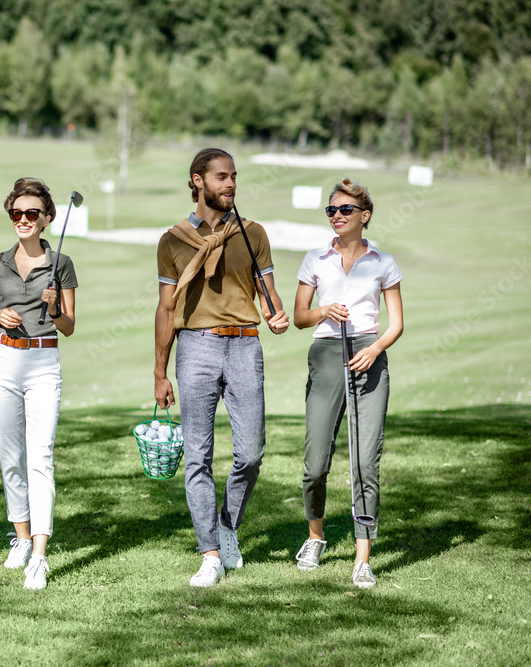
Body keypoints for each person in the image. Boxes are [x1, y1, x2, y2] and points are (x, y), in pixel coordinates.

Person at [154, 148, 289, 588]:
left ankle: (227, 524)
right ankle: (209, 552)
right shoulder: (173, 240)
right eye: (221, 177)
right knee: (198, 456)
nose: (230, 184)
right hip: (195, 348)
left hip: (246, 347)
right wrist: (160, 371)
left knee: (251, 453)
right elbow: (166, 306)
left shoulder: (252, 233)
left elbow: (270, 295)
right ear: (197, 181)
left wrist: (277, 315)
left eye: (233, 177)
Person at [292, 178, 403, 589]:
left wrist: (374, 350)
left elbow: (397, 324)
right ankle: (316, 537)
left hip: (368, 358)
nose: (336, 216)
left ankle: (362, 558)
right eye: (331, 210)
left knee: (364, 463)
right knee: (316, 462)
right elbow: (299, 316)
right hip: (325, 354)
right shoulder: (315, 259)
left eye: (345, 210)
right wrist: (323, 310)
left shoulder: (383, 262)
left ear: (364, 216)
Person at [0, 177, 77, 590]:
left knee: (41, 456)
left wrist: (54, 308)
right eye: (16, 213)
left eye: (31, 213)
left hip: (42, 361)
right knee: (11, 453)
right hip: (3, 359)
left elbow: (69, 327)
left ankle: (39, 555)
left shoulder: (62, 264)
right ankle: (19, 537)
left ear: (46, 218)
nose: (23, 219)